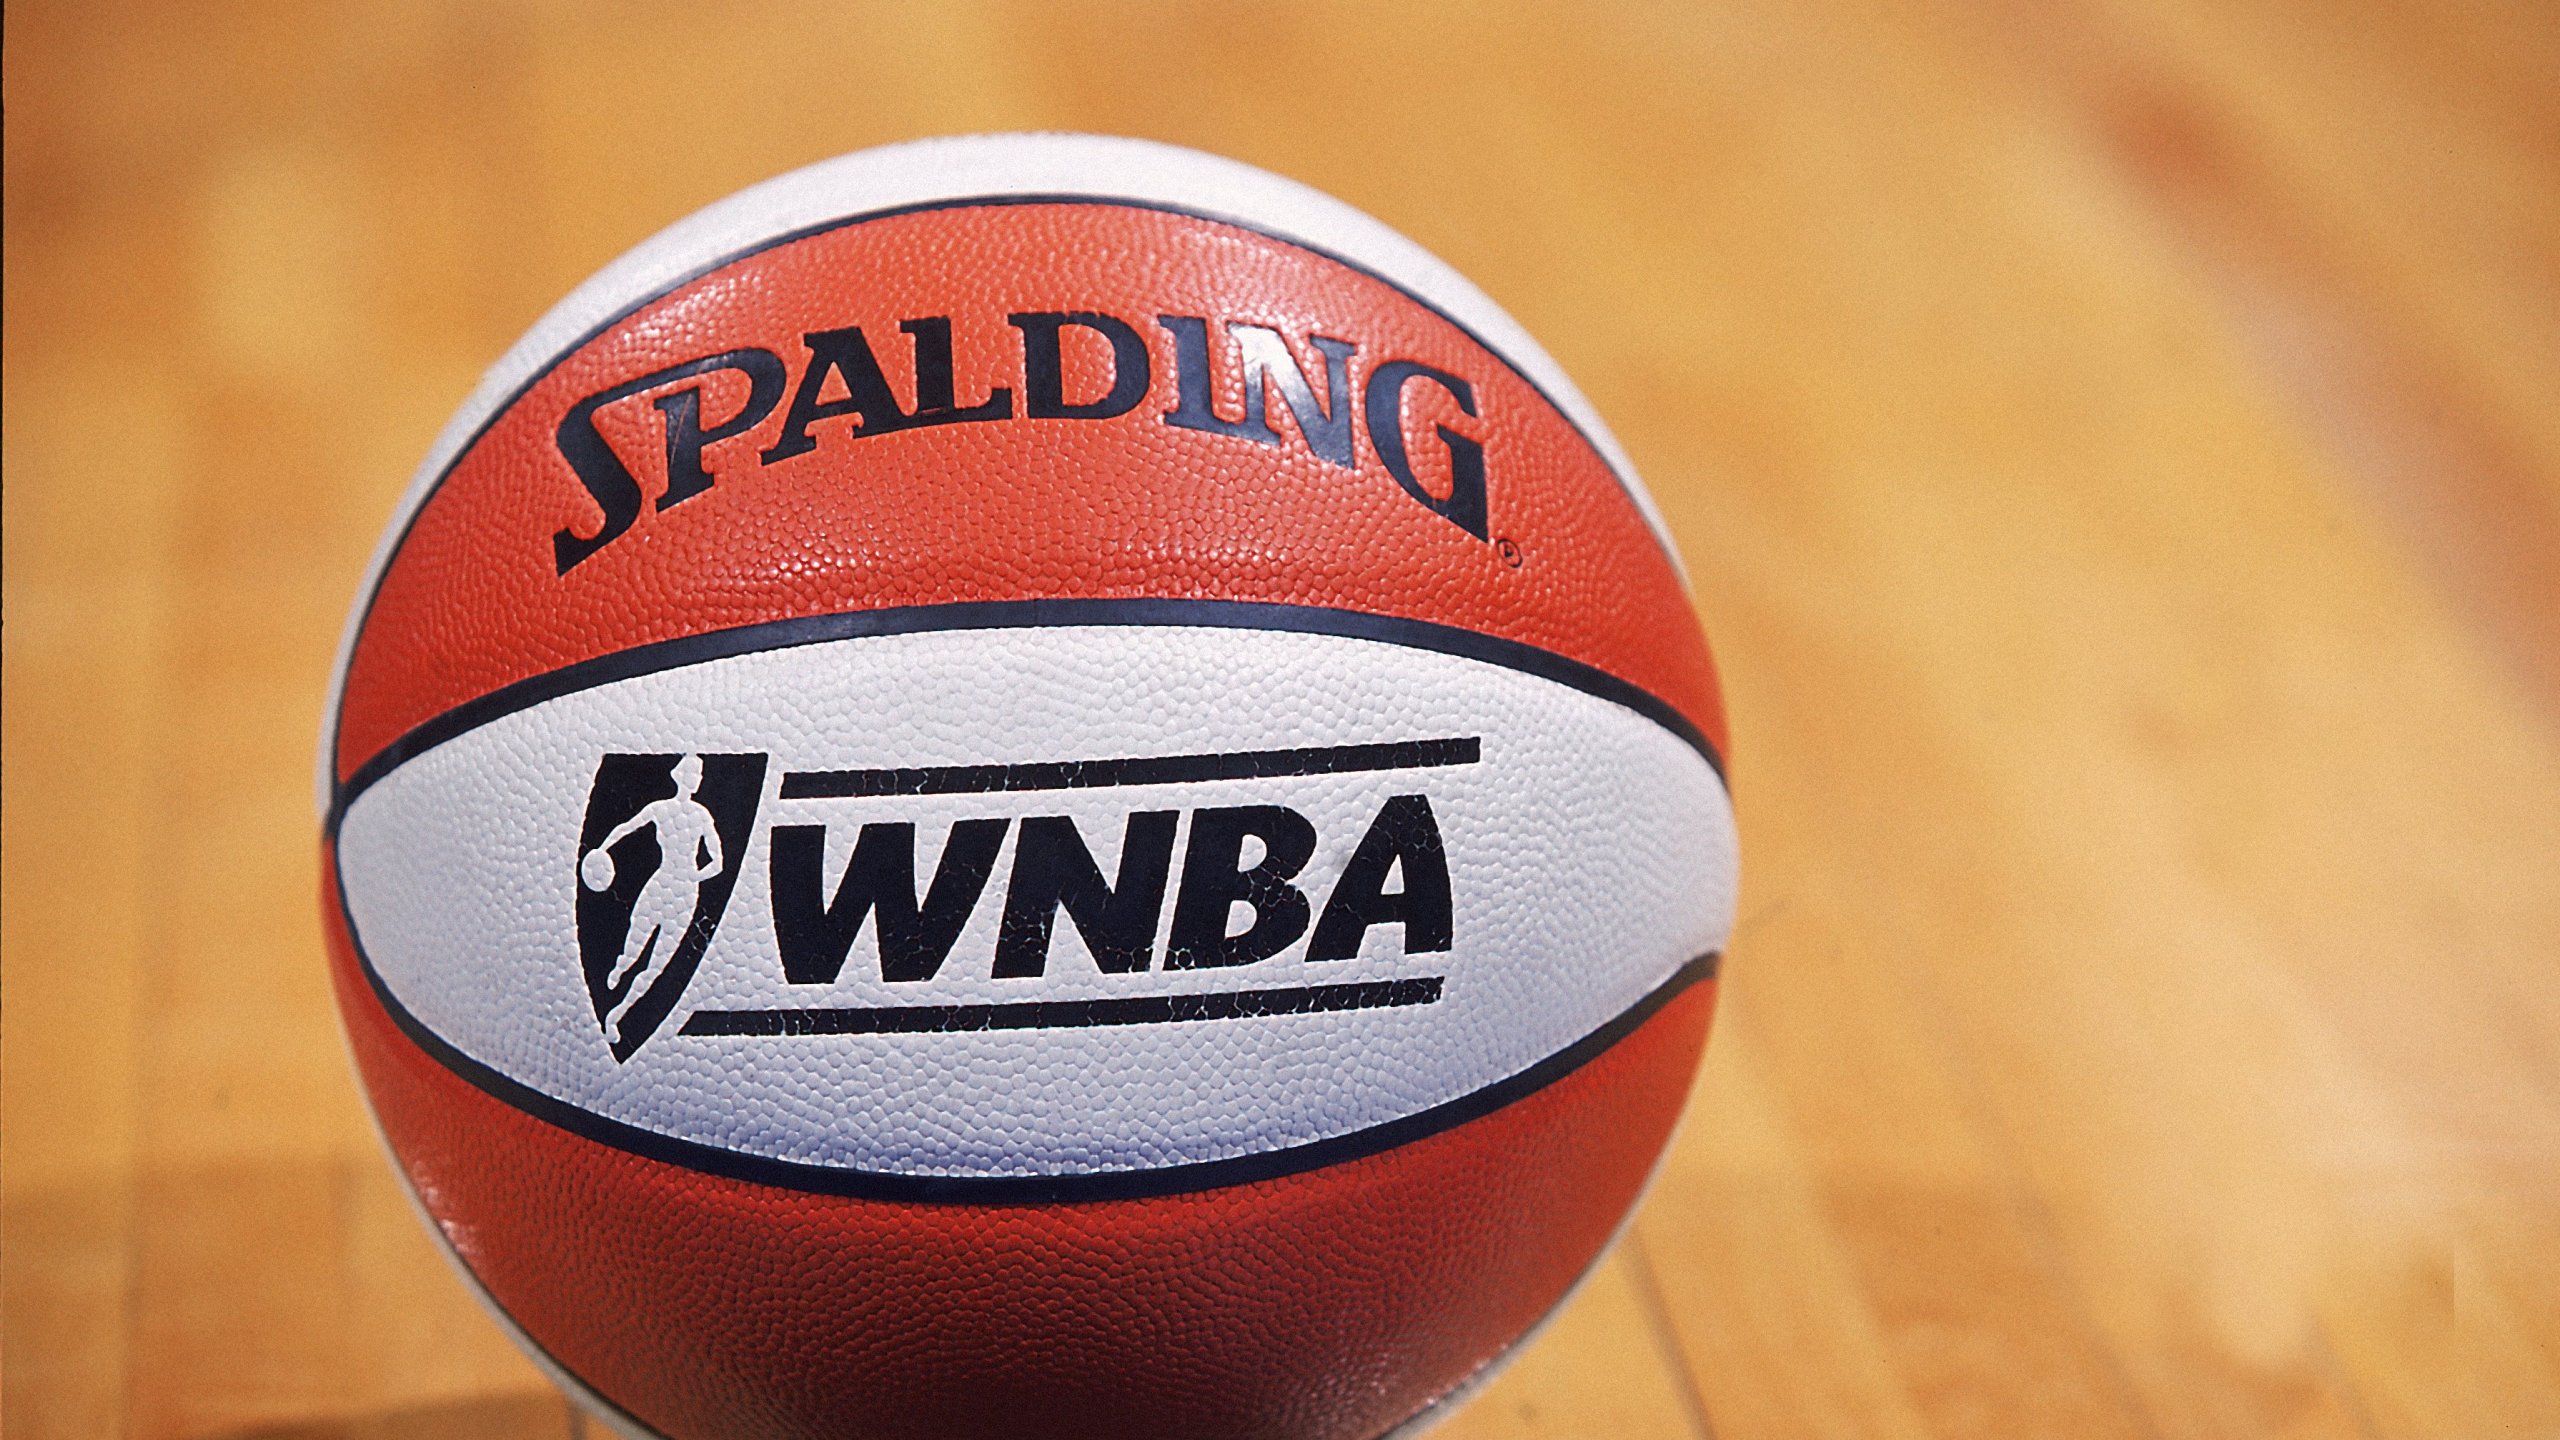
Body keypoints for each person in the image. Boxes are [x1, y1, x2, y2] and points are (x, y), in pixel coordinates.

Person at [580, 754, 723, 1042]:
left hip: (684, 896)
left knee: (655, 968)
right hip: (660, 885)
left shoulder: (701, 815)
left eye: (699, 775)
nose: (697, 779)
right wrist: (602, 849)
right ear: (680, 777)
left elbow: (719, 862)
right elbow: (628, 827)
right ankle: (620, 968)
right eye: (692, 773)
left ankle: (615, 1017)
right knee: (633, 949)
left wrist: (693, 877)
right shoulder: (660, 809)